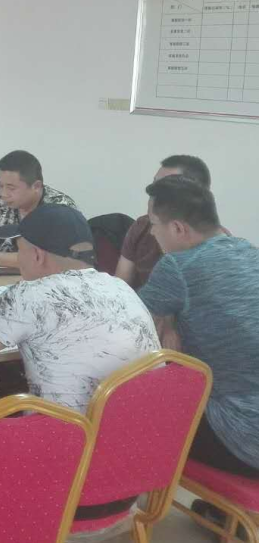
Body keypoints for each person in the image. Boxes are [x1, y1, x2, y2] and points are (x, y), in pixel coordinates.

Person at [0, 204, 159, 414]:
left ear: (37, 255)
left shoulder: (27, 296)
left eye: (20, 250)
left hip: (72, 430)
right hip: (141, 426)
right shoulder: (120, 287)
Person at [138, 175, 259, 478]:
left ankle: (119, 497)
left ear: (178, 228)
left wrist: (168, 323)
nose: (152, 232)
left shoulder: (178, 266)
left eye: (154, 224)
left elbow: (128, 323)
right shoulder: (250, 252)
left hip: (242, 437)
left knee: (130, 410)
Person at [116, 155, 212, 290]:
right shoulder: (142, 226)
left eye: (165, 189)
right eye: (154, 185)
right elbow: (120, 288)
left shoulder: (215, 246)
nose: (153, 195)